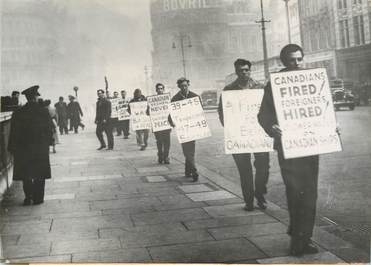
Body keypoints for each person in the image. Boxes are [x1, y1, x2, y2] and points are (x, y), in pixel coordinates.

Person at [258, 44, 320, 256]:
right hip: (288, 146)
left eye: (299, 59)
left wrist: (331, 126)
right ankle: (297, 240)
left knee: (310, 193)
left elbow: (321, 108)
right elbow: (263, 115)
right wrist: (271, 126)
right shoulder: (274, 84)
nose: (296, 64)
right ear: (284, 62)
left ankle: (306, 238)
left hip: (311, 146)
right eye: (292, 60)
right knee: (295, 192)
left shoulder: (311, 79)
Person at [218, 59, 269, 211]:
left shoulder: (260, 87)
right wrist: (230, 127)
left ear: (250, 70)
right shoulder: (228, 90)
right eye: (241, 70)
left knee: (263, 167)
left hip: (258, 133)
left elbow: (268, 109)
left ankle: (260, 195)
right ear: (236, 72)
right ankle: (248, 200)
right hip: (239, 135)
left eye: (247, 70)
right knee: (244, 169)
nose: (244, 73)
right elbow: (222, 111)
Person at [8, 85, 53, 205]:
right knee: (40, 172)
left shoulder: (18, 112)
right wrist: (49, 143)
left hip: (24, 148)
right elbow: (49, 129)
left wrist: (12, 147)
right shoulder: (43, 111)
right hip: (40, 148)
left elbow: (13, 132)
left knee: (26, 173)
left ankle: (28, 197)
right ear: (35, 97)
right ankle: (38, 198)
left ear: (27, 98)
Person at [170, 77, 200, 182]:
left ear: (188, 85)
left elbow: (199, 112)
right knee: (187, 150)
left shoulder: (194, 97)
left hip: (192, 127)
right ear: (178, 86)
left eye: (185, 85)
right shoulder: (175, 99)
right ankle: (192, 170)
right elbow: (171, 114)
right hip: (182, 128)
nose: (184, 87)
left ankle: (190, 170)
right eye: (181, 86)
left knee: (190, 150)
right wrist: (172, 122)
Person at [152, 83, 171, 164]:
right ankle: (160, 155)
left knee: (167, 142)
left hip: (166, 125)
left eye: (161, 88)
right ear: (156, 90)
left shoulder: (167, 99)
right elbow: (147, 113)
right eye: (158, 89)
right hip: (157, 125)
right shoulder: (152, 100)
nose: (160, 90)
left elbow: (171, 111)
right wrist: (149, 108)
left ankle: (166, 156)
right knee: (159, 141)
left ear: (163, 89)